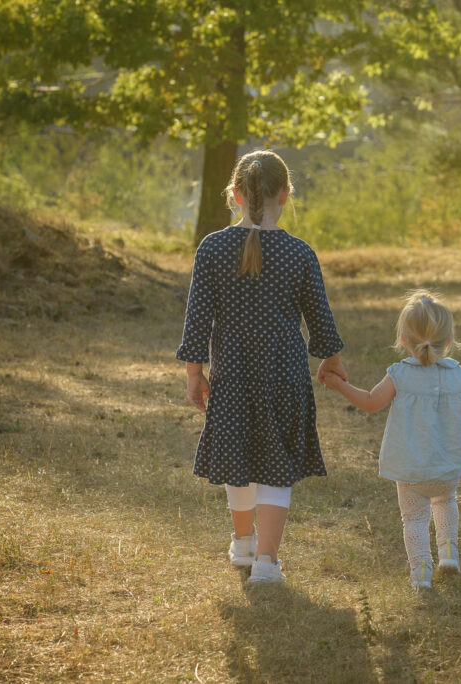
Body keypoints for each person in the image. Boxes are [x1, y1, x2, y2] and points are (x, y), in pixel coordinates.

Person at [176, 149, 347, 584]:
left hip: (232, 374)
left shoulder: (213, 248)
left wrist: (195, 374)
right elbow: (319, 316)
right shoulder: (299, 253)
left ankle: (243, 543)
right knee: (277, 464)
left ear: (235, 195)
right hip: (284, 376)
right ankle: (267, 563)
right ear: (285, 195)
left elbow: (197, 319)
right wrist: (331, 358)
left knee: (238, 456)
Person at [322, 290, 461, 589]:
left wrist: (338, 385)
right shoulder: (458, 375)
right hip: (448, 465)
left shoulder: (399, 374)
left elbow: (371, 402)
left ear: (404, 340)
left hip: (410, 468)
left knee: (415, 520)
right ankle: (449, 554)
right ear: (448, 340)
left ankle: (421, 573)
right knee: (445, 501)